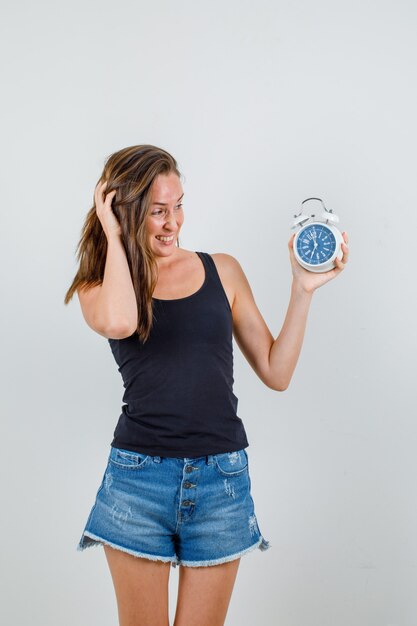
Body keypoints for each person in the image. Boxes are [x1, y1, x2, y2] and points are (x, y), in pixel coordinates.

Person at [65, 144, 349, 626]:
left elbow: (276, 372)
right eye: (157, 211)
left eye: (178, 205)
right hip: (138, 482)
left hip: (222, 483)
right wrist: (113, 235)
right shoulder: (102, 284)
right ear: (122, 210)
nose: (173, 222)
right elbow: (118, 321)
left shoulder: (223, 270)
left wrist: (302, 290)